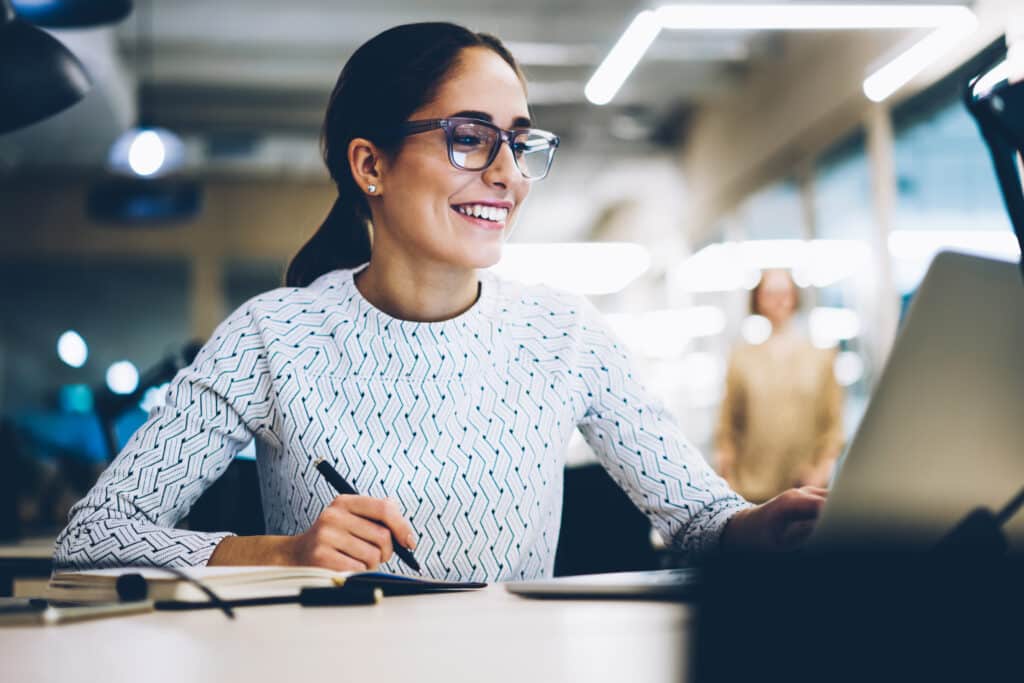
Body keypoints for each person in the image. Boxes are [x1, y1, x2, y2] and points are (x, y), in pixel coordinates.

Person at [54, 22, 826, 580]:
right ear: (371, 166)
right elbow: (96, 535)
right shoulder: (272, 335)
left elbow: (697, 521)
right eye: (469, 137)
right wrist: (280, 552)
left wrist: (763, 524)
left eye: (519, 142)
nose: (507, 173)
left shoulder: (562, 333)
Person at [715, 269, 844, 504]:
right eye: (770, 292)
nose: (779, 299)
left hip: (806, 489)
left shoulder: (821, 358)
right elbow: (727, 428)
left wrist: (821, 472)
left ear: (795, 296)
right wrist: (729, 481)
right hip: (752, 491)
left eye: (784, 291)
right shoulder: (741, 359)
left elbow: (833, 427)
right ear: (758, 299)